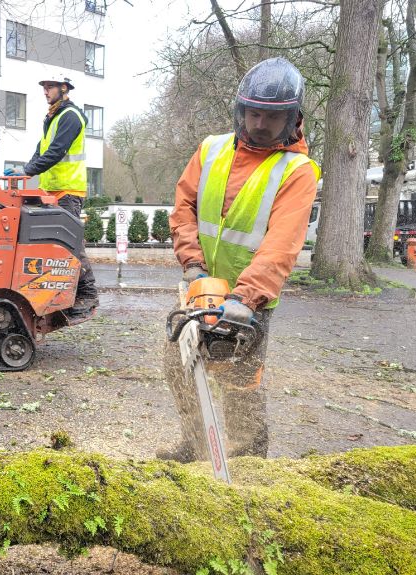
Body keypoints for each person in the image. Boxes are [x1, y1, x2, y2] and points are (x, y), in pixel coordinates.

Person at [160, 57, 320, 462]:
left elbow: (281, 245)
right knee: (179, 368)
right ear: (241, 110)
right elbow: (184, 206)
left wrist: (246, 299)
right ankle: (196, 446)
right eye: (254, 113)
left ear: (292, 118)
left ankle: (250, 463)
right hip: (200, 288)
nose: (260, 124)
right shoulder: (211, 149)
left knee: (241, 386)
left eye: (271, 116)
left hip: (248, 303)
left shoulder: (297, 171)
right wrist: (193, 266)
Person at [5, 74, 98, 318]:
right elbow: (42, 150)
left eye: (50, 87)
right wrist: (24, 170)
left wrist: (27, 171)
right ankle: (59, 292)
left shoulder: (70, 117)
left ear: (64, 89)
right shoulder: (52, 118)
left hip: (68, 191)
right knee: (53, 245)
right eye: (44, 87)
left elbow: (56, 152)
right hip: (52, 192)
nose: (45, 91)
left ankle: (87, 294)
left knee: (70, 245)